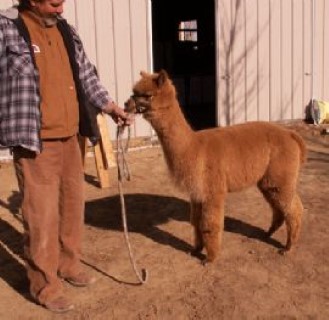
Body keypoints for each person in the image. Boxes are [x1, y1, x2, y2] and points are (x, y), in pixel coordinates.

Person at [0, 0, 132, 313]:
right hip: (35, 141)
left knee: (72, 205)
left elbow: (86, 75)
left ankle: (68, 264)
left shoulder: (65, 30)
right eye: (54, 4)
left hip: (73, 135)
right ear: (33, 1)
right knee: (41, 216)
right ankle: (45, 286)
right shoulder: (6, 28)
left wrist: (111, 107)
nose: (61, 10)